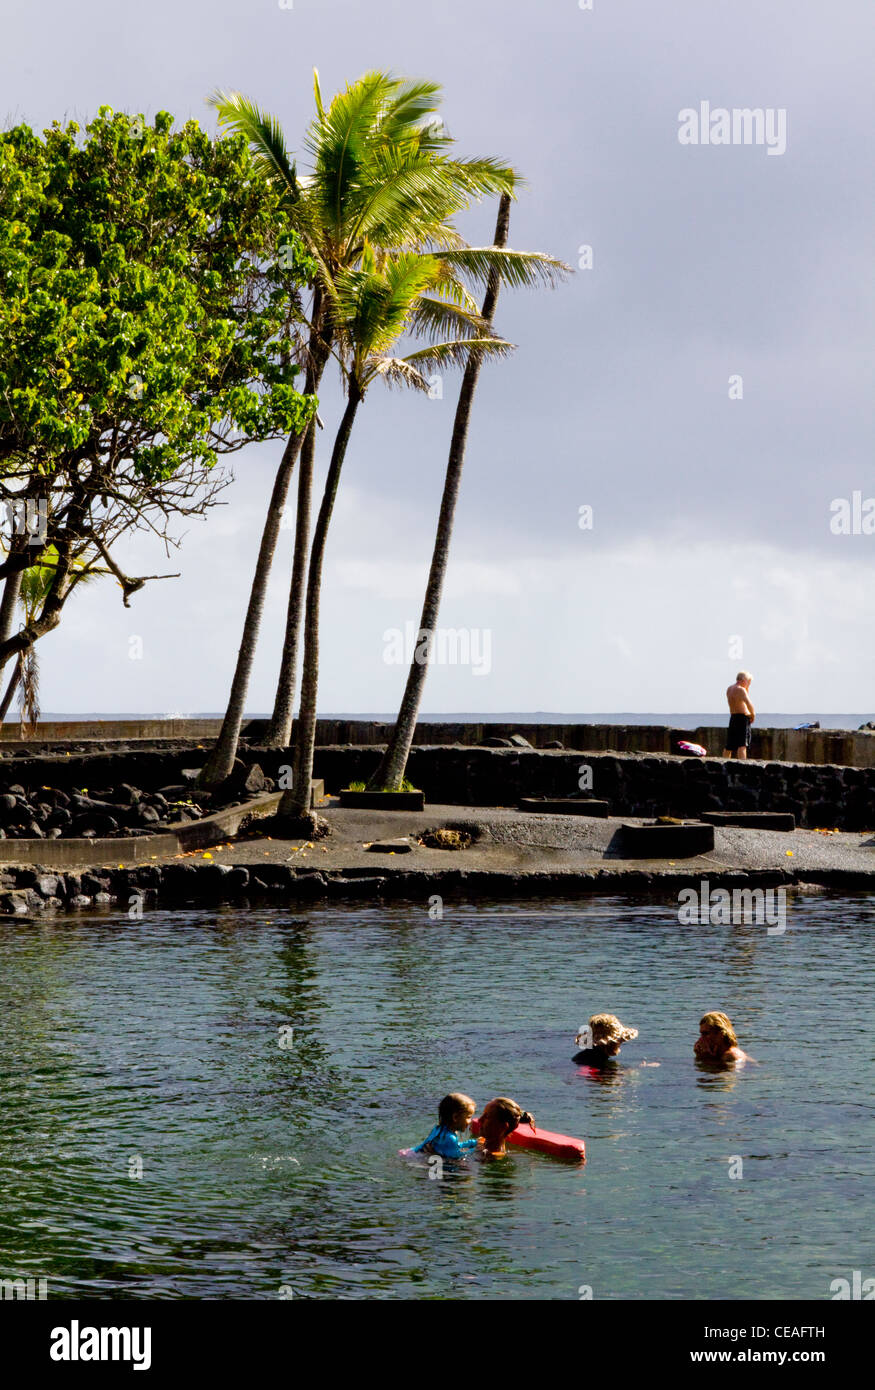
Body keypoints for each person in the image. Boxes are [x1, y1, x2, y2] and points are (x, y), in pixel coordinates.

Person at [411, 1092, 478, 1160]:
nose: (471, 1121)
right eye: (469, 1117)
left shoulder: (438, 1128)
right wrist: (475, 1150)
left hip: (412, 1153)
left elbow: (453, 1146)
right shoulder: (450, 1138)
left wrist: (473, 1143)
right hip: (416, 1158)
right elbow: (456, 1156)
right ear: (455, 1117)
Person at [572, 1013, 638, 1067]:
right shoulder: (596, 1060)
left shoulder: (585, 1056)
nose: (620, 1043)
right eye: (619, 1040)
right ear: (611, 1043)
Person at [724, 671, 755, 759]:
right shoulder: (741, 689)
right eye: (749, 682)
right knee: (742, 745)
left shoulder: (729, 688)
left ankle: (724, 762)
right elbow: (749, 704)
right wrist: (753, 715)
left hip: (733, 717)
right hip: (742, 718)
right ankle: (743, 766)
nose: (749, 684)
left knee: (729, 745)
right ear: (744, 680)